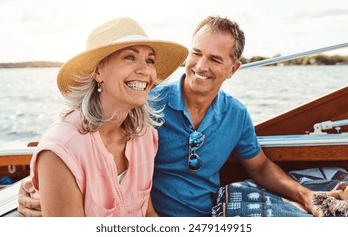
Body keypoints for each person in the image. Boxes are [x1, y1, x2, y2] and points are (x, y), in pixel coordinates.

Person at [18, 16, 347, 217]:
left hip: (205, 218)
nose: (201, 67)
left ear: (233, 69)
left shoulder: (227, 115)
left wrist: (307, 195)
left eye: (215, 60)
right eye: (196, 54)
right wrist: (38, 188)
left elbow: (259, 166)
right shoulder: (146, 103)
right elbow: (73, 137)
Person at [24, 17, 188, 216]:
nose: (144, 70)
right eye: (129, 57)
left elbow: (148, 213)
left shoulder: (145, 137)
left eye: (150, 60)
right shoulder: (61, 149)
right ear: (98, 71)